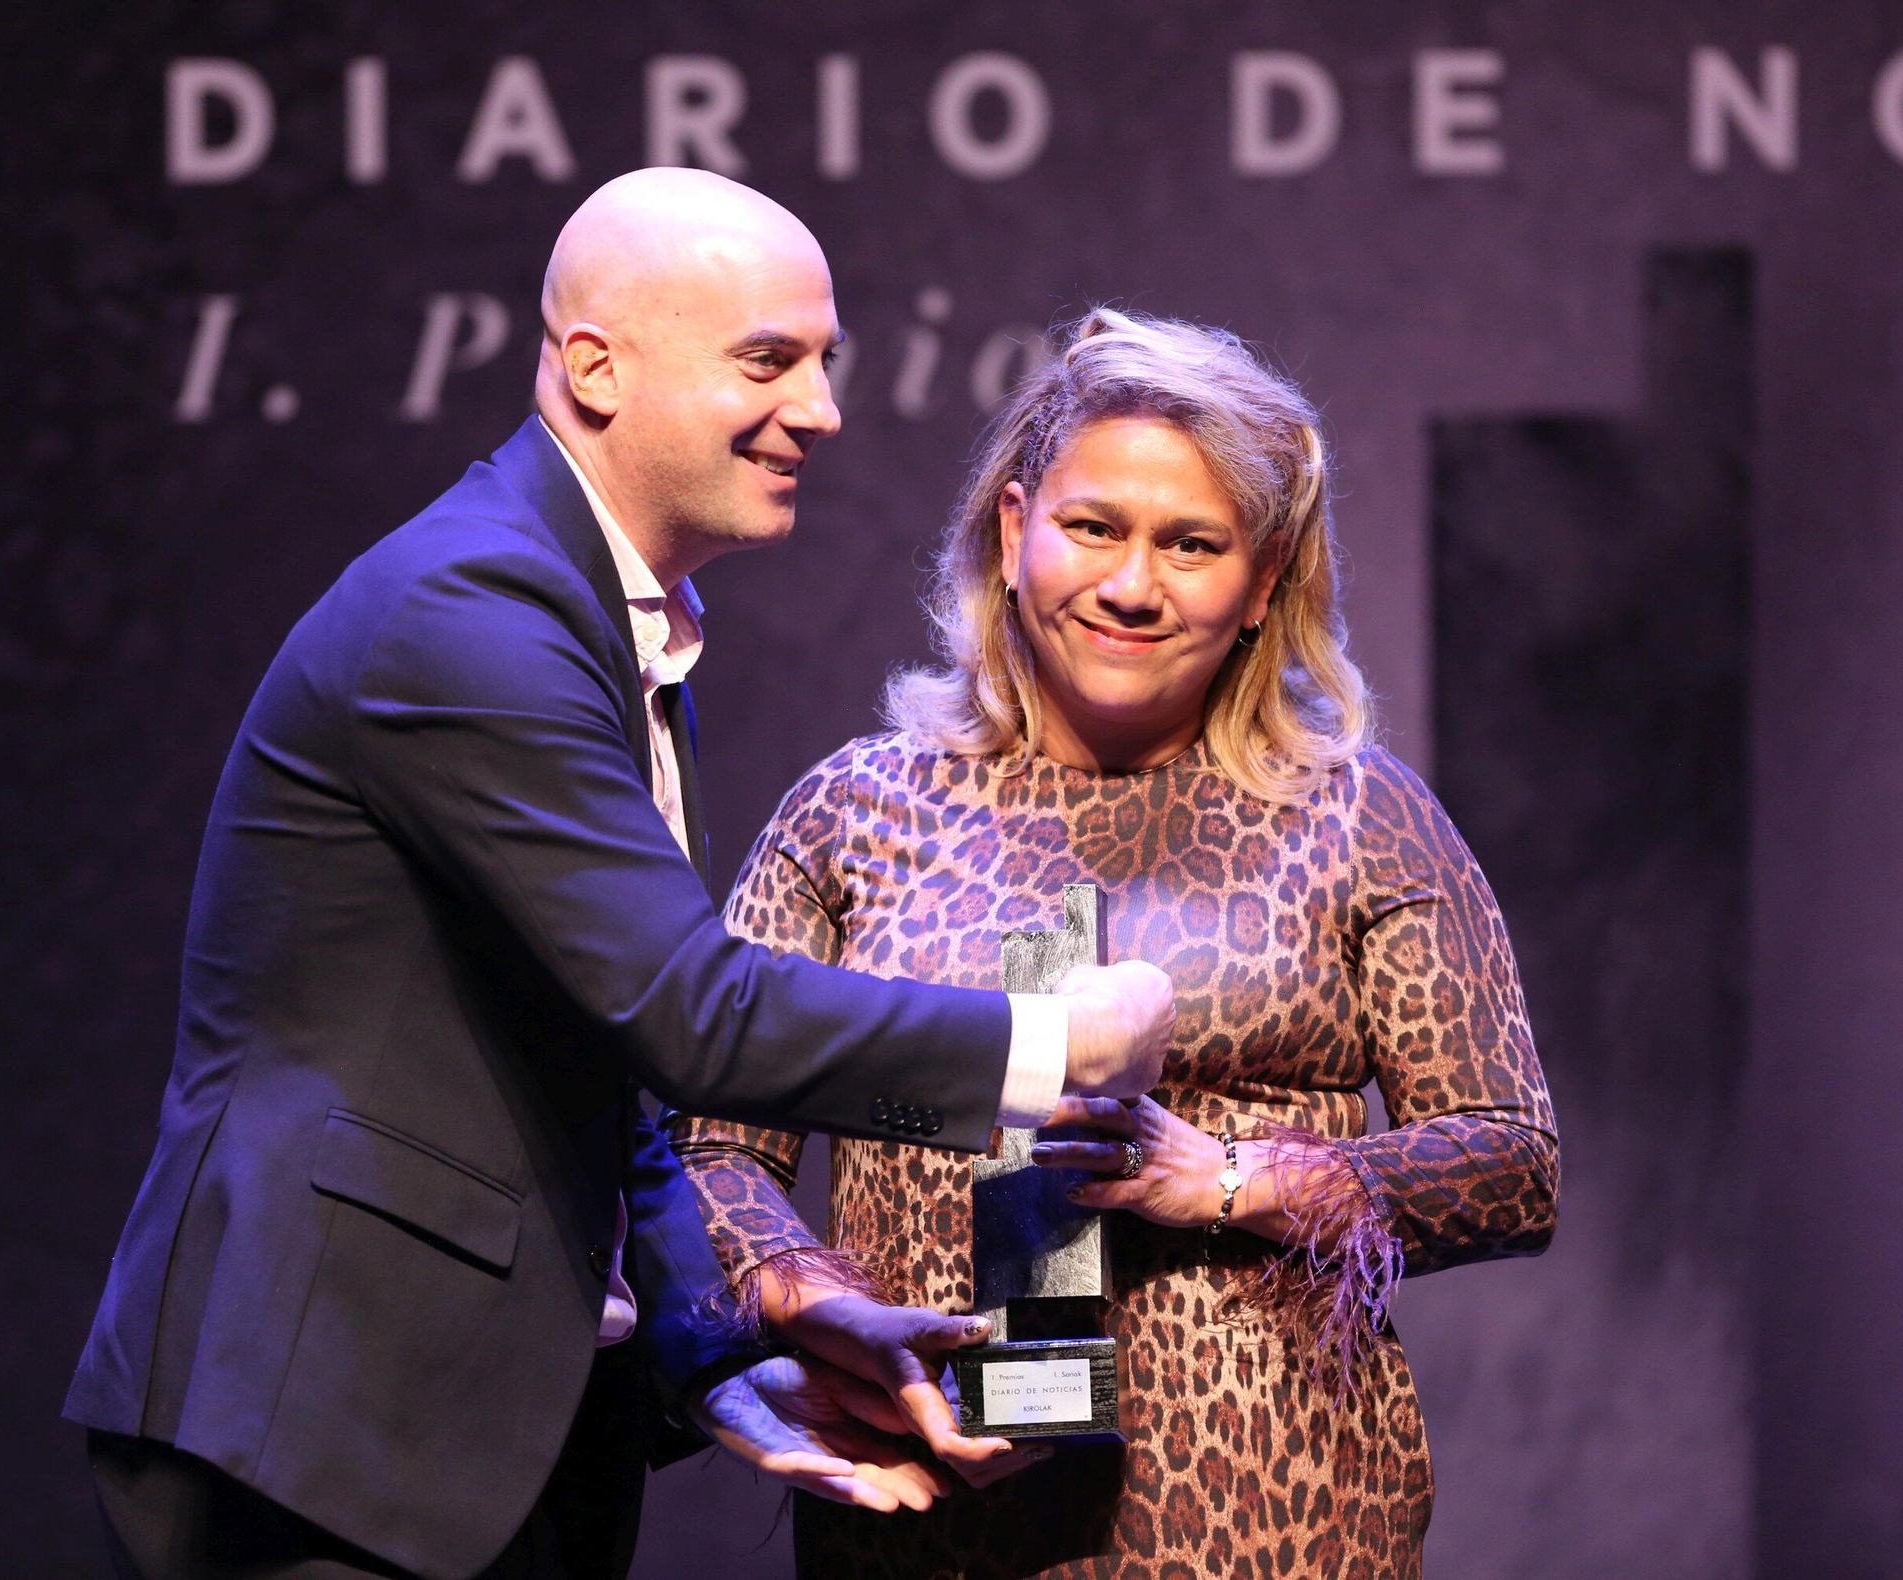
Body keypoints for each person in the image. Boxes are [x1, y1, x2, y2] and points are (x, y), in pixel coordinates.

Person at [64, 172, 1176, 1580]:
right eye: (767, 361)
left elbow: (604, 1072)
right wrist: (1056, 1047)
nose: (821, 409)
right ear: (594, 366)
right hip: (318, 1429)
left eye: (823, 360)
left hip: (489, 1436)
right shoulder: (477, 607)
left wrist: (719, 1352)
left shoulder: (599, 616)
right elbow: (688, 1017)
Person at [664, 308, 1560, 1578]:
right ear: (1011, 529)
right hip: (924, 1488)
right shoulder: (855, 809)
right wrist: (821, 1308)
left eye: (1190, 543)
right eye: (1093, 527)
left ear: (1263, 582)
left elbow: (1511, 1159)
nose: (1133, 585)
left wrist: (1236, 1176)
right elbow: (705, 1141)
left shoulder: (1355, 815)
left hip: (1269, 1503)